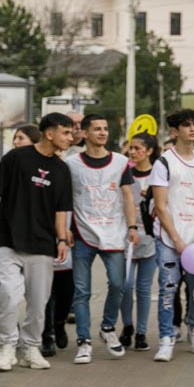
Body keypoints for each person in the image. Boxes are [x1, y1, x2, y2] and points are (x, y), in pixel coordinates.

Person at [0, 112, 75, 371]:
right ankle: (7, 346)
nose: (70, 137)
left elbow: (61, 210)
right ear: (49, 133)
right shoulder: (16, 159)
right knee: (7, 294)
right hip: (9, 239)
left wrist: (62, 238)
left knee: (39, 302)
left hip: (43, 244)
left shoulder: (62, 169)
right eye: (65, 132)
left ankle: (30, 347)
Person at [67, 113, 137, 363]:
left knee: (119, 284)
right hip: (83, 233)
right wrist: (65, 230)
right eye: (97, 129)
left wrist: (132, 225)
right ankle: (83, 341)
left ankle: (107, 328)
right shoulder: (72, 164)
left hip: (114, 231)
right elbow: (65, 200)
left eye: (105, 129)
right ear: (84, 133)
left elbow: (128, 195)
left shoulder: (120, 162)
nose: (103, 133)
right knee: (81, 291)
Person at [149, 108, 194, 361]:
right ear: (174, 131)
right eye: (186, 125)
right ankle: (166, 338)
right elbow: (161, 205)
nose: (192, 129)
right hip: (169, 239)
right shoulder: (164, 162)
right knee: (168, 288)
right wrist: (176, 239)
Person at [116, 132, 161, 351]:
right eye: (130, 148)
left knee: (144, 288)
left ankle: (142, 332)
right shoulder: (125, 174)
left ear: (149, 151)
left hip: (151, 240)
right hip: (126, 239)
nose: (132, 152)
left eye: (136, 148)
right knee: (125, 285)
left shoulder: (159, 176)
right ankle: (127, 326)